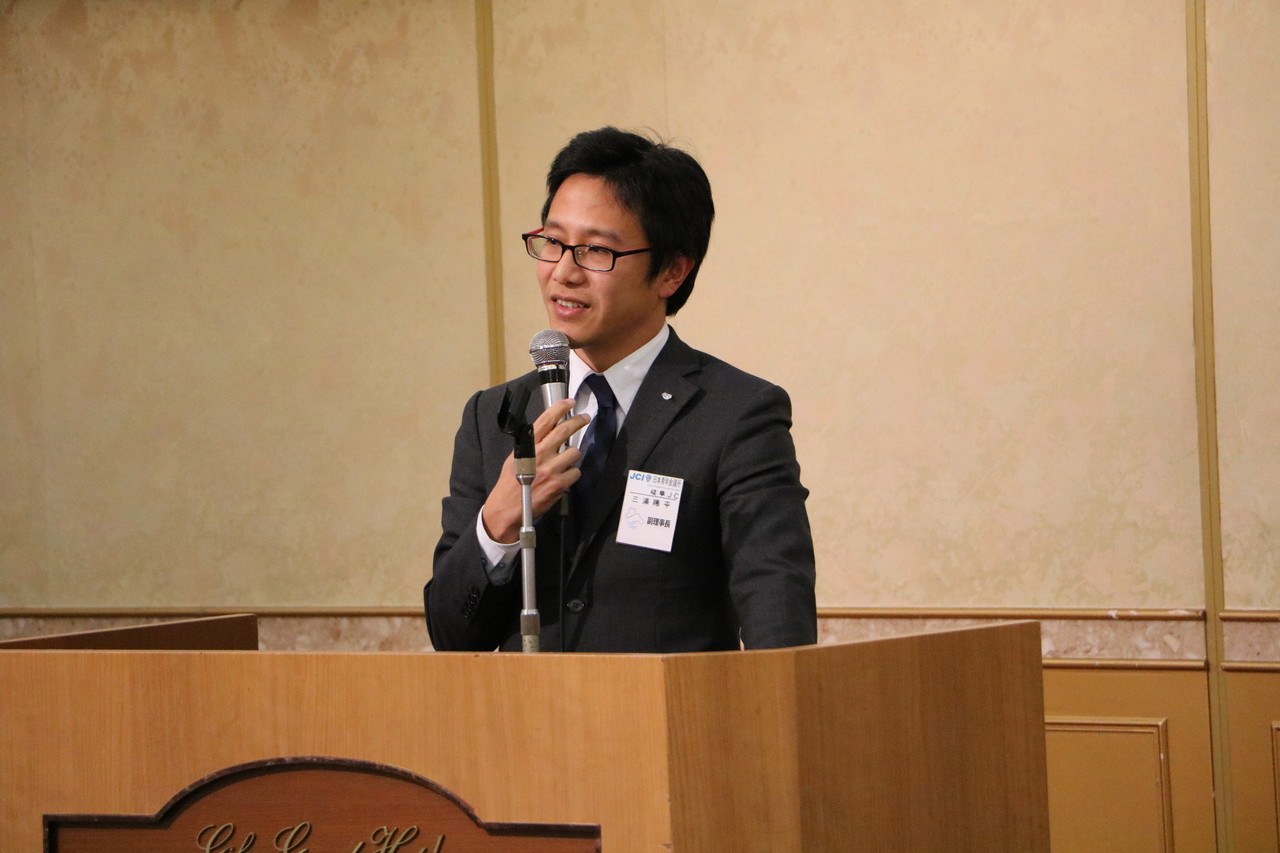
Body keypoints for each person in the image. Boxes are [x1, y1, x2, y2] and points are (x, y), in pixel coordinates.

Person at [424, 127, 816, 652]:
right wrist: (499, 520)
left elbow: (777, 614)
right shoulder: (494, 414)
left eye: (595, 250)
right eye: (553, 242)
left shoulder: (735, 414)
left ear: (672, 271)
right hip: (529, 707)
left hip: (668, 705)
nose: (563, 273)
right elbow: (451, 636)